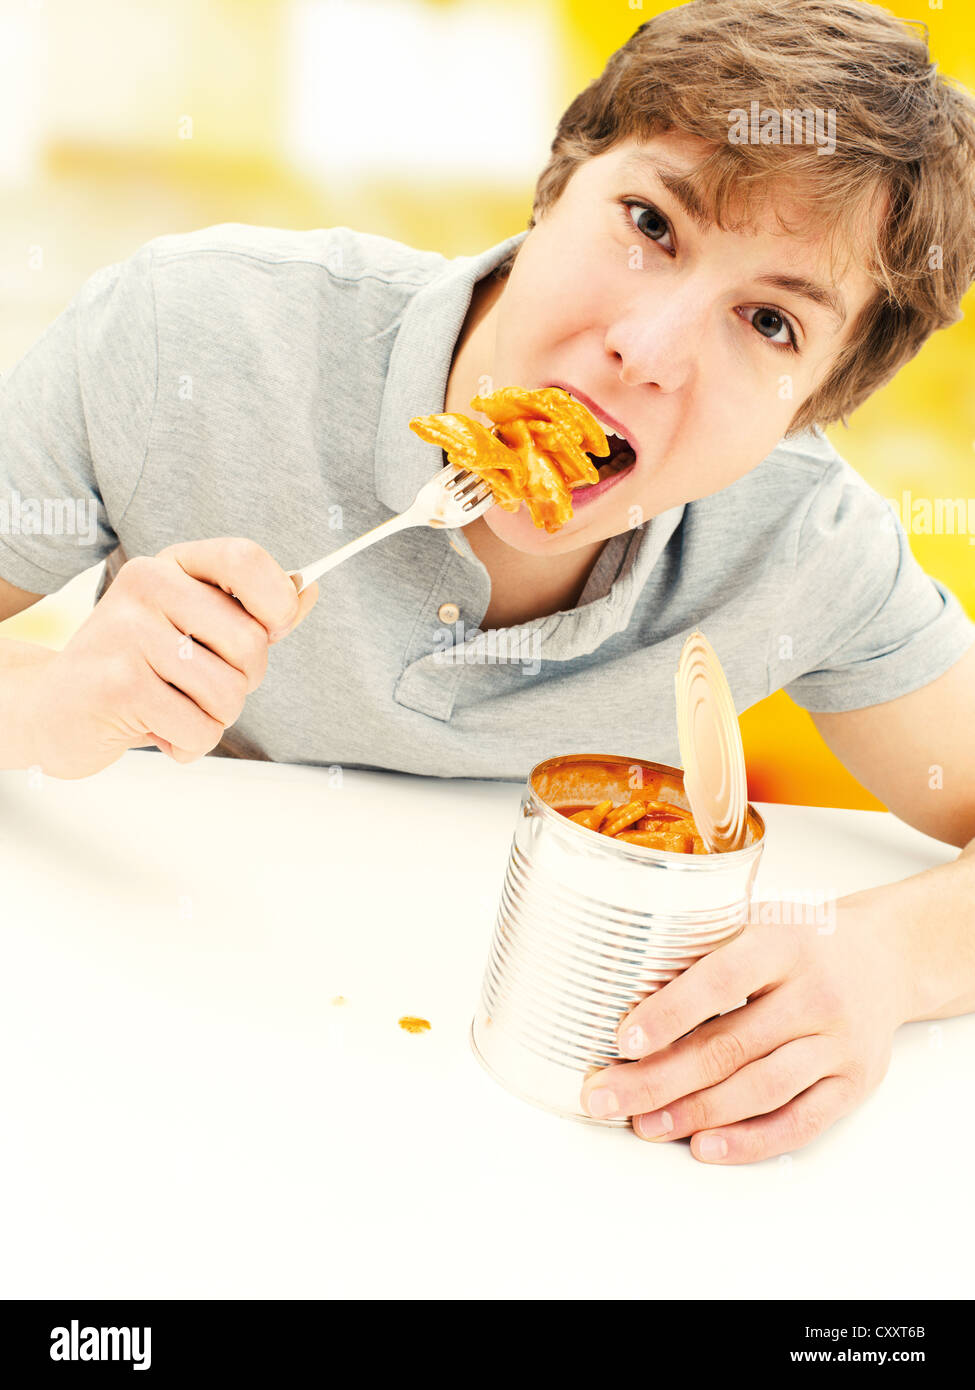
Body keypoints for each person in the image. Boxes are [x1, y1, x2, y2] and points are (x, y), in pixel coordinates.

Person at [1, 0, 974, 1163]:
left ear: (814, 406)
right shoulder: (185, 336)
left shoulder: (806, 542)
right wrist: (43, 700)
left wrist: (891, 956)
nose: (649, 351)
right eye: (650, 222)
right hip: (114, 1040)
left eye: (768, 321)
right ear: (557, 183)